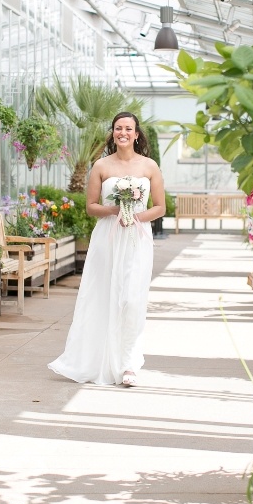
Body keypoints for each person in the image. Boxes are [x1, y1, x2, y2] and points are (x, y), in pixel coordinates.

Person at [47, 112, 165, 387]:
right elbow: (91, 207)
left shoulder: (150, 166)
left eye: (128, 128)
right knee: (103, 297)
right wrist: (115, 209)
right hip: (108, 238)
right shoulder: (100, 165)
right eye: (117, 128)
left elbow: (160, 207)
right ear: (112, 133)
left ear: (137, 134)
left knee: (132, 299)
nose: (122, 132)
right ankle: (96, 359)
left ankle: (129, 364)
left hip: (137, 238)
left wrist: (134, 216)